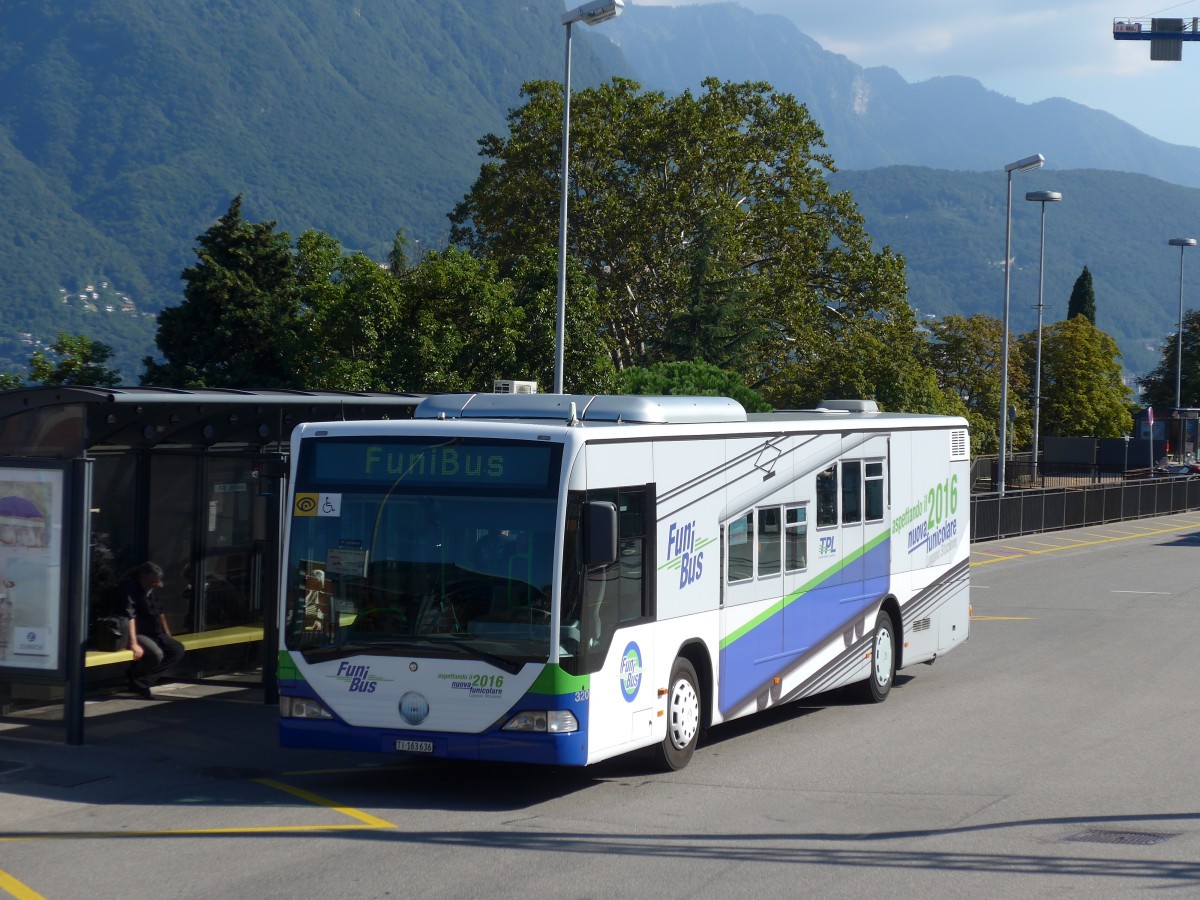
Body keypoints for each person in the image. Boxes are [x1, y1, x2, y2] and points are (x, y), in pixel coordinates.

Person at [117, 562, 184, 699]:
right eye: (153, 580)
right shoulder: (129, 587)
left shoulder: (150, 589)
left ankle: (141, 681)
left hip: (155, 631)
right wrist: (134, 643)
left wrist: (168, 634)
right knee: (156, 654)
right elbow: (130, 616)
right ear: (143, 577)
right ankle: (139, 681)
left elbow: (160, 612)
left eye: (157, 581)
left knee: (177, 649)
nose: (156, 583)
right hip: (138, 632)